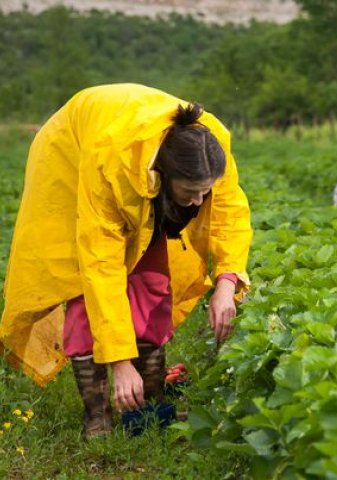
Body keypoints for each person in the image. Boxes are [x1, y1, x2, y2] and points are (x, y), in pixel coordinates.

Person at [0, 84, 253, 437]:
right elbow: (101, 266)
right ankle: (97, 415)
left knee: (150, 283)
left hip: (134, 158)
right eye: (189, 193)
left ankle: (149, 406)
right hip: (72, 155)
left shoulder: (209, 149)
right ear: (163, 175)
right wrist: (120, 362)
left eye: (204, 191)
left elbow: (229, 214)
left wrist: (227, 281)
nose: (198, 202)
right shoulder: (111, 164)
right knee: (82, 285)